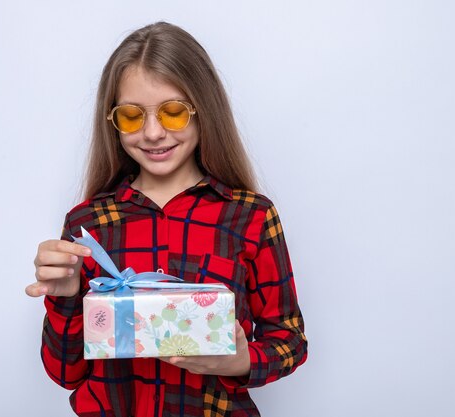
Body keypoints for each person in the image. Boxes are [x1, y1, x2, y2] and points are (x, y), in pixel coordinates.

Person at [25, 21, 307, 417]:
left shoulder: (251, 216)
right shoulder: (88, 226)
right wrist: (66, 296)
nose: (153, 132)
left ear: (203, 109)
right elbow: (65, 372)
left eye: (173, 112)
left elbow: (290, 340)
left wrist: (240, 362)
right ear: (113, 121)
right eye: (131, 116)